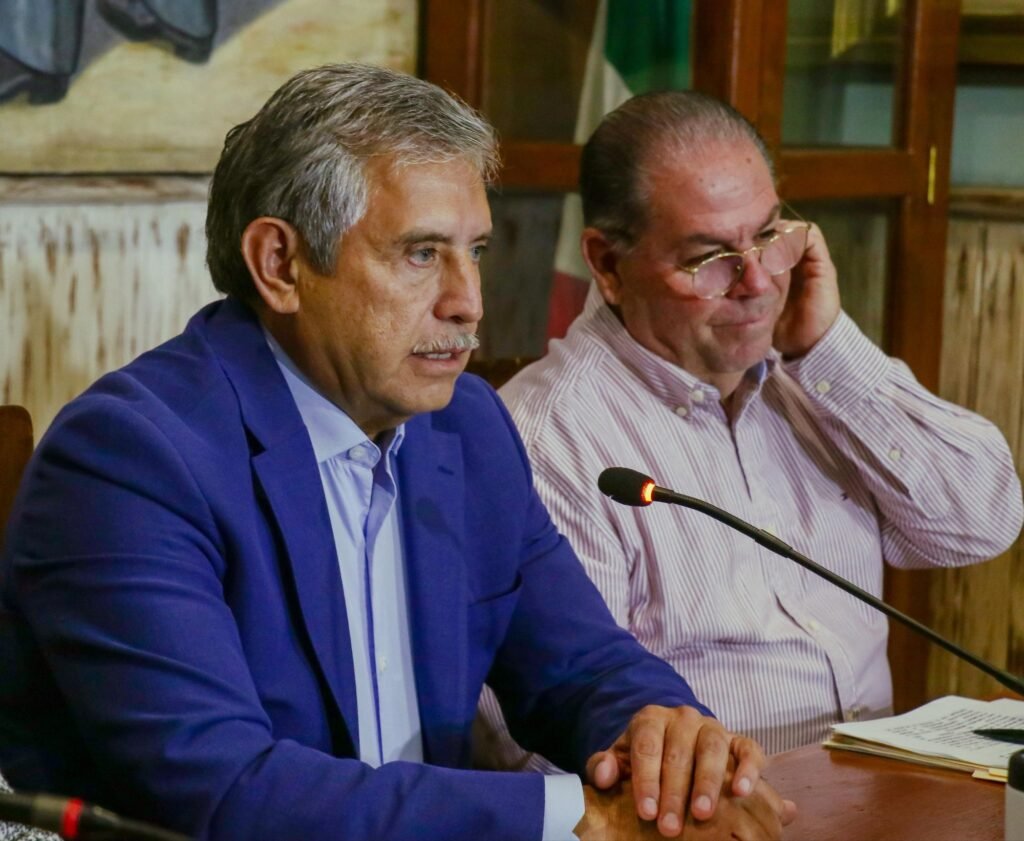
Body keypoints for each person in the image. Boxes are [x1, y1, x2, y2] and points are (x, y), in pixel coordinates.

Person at [0, 66, 794, 841]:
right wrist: (576, 816)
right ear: (280, 265)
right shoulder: (129, 459)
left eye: (474, 251)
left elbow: (582, 665)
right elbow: (225, 793)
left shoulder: (466, 427)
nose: (468, 301)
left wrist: (671, 746)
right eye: (421, 254)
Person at [482, 89, 1023, 760]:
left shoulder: (809, 376)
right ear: (608, 264)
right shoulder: (549, 442)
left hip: (879, 787)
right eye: (710, 259)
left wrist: (828, 350)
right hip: (717, 806)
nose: (758, 283)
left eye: (769, 237)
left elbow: (978, 523)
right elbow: (544, 738)